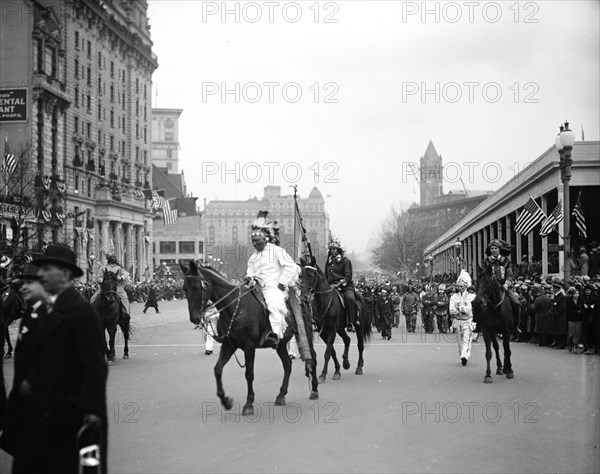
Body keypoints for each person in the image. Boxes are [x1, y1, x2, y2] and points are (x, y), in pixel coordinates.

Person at [0, 245, 108, 474]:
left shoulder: (80, 312)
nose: (43, 273)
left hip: (63, 426)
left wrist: (90, 429)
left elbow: (94, 375)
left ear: (66, 274)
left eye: (50, 268)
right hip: (31, 423)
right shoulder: (36, 310)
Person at [246, 210, 300, 348]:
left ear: (265, 239)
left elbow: (292, 267)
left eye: (258, 241)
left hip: (274, 288)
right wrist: (249, 278)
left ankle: (274, 334)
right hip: (256, 288)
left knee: (273, 305)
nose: (256, 244)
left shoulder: (277, 251)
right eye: (254, 242)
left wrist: (282, 283)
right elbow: (250, 271)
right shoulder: (253, 257)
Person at [478, 238, 521, 327]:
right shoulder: (486, 261)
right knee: (477, 302)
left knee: (516, 303)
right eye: (492, 248)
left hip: (503, 286)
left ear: (499, 249)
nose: (493, 250)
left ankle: (515, 325)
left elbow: (510, 274)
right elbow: (484, 274)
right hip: (490, 287)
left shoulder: (506, 261)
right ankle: (478, 324)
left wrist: (506, 283)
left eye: (495, 248)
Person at [324, 236, 357, 331]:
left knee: (350, 298)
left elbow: (348, 276)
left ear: (339, 250)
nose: (333, 251)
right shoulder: (329, 262)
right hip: (330, 286)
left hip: (344, 286)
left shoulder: (346, 261)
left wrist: (338, 284)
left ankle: (351, 321)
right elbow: (326, 275)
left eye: (334, 249)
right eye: (331, 249)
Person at [91, 253, 131, 320]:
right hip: (105, 289)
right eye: (113, 257)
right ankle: (92, 314)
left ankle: (126, 315)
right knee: (93, 299)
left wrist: (121, 278)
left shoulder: (119, 268)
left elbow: (125, 275)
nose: (114, 258)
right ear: (109, 258)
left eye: (115, 257)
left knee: (125, 299)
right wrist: (104, 281)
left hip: (118, 289)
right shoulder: (103, 268)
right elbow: (98, 278)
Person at [449, 270, 476, 366]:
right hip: (457, 321)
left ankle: (465, 355)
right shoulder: (453, 297)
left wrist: (464, 309)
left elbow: (472, 309)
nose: (460, 288)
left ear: (465, 286)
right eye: (458, 286)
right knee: (459, 341)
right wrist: (459, 310)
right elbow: (451, 309)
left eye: (461, 286)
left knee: (467, 339)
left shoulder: (472, 297)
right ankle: (462, 355)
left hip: (467, 321)